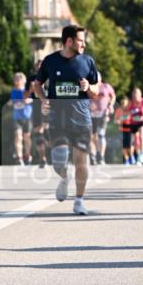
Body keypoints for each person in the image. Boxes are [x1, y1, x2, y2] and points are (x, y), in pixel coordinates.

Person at [34, 24, 100, 215]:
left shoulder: (87, 61)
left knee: (81, 162)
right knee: (59, 161)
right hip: (57, 120)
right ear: (69, 41)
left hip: (82, 120)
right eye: (80, 40)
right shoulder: (50, 61)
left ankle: (79, 200)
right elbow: (37, 84)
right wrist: (44, 99)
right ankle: (64, 177)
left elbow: (96, 91)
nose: (84, 44)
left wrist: (89, 87)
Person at [89, 76, 116, 165]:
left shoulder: (106, 86)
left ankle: (101, 156)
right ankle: (92, 155)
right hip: (91, 113)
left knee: (101, 134)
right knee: (91, 136)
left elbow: (113, 96)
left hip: (103, 113)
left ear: (100, 79)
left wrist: (111, 105)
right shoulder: (89, 86)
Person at [8, 71, 33, 165]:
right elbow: (12, 101)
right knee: (18, 136)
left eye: (18, 80)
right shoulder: (13, 91)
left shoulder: (27, 90)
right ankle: (19, 158)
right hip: (16, 118)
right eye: (15, 80)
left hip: (27, 117)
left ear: (23, 81)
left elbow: (32, 99)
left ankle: (28, 155)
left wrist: (28, 100)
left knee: (27, 137)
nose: (16, 81)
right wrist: (10, 103)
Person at [127, 86, 143, 165]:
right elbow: (127, 113)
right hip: (134, 122)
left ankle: (142, 155)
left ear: (140, 94)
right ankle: (138, 155)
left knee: (141, 136)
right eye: (134, 94)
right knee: (136, 140)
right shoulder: (131, 104)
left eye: (136, 94)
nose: (135, 96)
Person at [114, 96, 135, 165]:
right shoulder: (118, 110)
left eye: (125, 104)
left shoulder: (130, 110)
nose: (124, 105)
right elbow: (115, 120)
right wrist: (119, 121)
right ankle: (126, 160)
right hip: (122, 129)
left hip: (130, 129)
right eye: (122, 104)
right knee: (124, 146)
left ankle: (131, 156)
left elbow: (134, 118)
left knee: (130, 144)